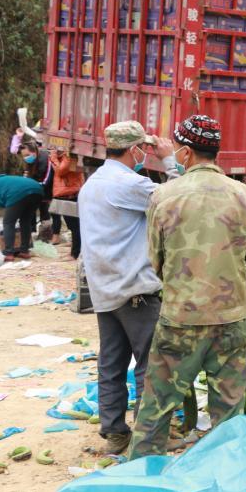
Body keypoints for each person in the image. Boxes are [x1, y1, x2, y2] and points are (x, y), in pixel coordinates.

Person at [130, 115, 246, 459]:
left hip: (180, 318)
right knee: (228, 411)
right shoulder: (244, 194)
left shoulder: (164, 195)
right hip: (230, 320)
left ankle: (139, 479)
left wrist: (182, 289)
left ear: (185, 153)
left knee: (158, 406)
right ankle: (226, 477)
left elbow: (157, 260)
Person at [79, 121, 179, 455]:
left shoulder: (92, 184)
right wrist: (169, 162)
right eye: (144, 149)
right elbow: (178, 202)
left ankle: (115, 435)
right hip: (135, 289)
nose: (145, 155)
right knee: (151, 365)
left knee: (111, 364)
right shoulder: (128, 183)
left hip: (105, 289)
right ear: (135, 149)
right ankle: (148, 436)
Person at [0, 175, 43, 260]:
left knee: (8, 222)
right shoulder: (2, 180)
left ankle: (8, 253)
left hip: (18, 192)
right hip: (38, 190)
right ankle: (24, 251)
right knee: (25, 221)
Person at [48, 147, 84, 259]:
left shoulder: (70, 156)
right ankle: (75, 251)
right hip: (65, 193)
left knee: (75, 226)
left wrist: (53, 158)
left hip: (70, 194)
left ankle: (75, 253)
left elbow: (60, 171)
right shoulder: (64, 156)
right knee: (73, 226)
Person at [20, 140, 58, 243]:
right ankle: (31, 233)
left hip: (49, 190)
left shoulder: (45, 159)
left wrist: (31, 186)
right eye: (24, 156)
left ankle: (48, 235)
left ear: (34, 152)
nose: (26, 158)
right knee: (29, 207)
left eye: (27, 155)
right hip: (37, 189)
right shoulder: (30, 162)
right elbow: (27, 175)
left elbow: (47, 180)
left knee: (46, 212)